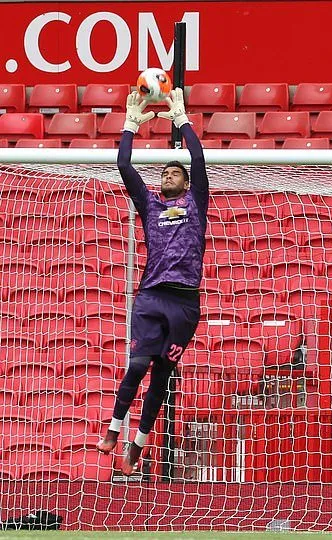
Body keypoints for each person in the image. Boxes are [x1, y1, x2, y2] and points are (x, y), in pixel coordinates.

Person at [96, 89, 209, 475]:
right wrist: (130, 124)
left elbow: (197, 158)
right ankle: (113, 430)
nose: (167, 174)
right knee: (138, 363)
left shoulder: (196, 201)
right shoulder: (150, 205)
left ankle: (137, 447)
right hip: (150, 298)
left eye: (174, 172)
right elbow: (124, 166)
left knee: (162, 374)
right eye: (164, 172)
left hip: (184, 305)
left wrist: (181, 118)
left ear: (187, 182)